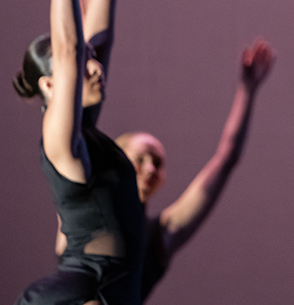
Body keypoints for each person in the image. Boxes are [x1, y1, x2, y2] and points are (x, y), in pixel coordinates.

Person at [13, 0, 156, 304]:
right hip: (83, 291)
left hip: (112, 287)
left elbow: (97, 44)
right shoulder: (59, 142)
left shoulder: (85, 131)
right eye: (79, 67)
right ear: (49, 86)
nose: (95, 68)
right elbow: (72, 51)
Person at [112, 39, 274, 301]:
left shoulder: (157, 238)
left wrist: (247, 89)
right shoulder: (85, 211)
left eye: (158, 162)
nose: (151, 168)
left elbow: (225, 159)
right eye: (141, 159)